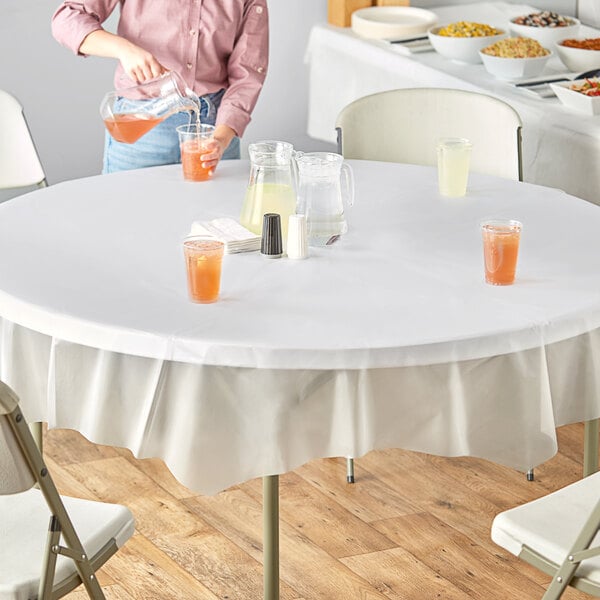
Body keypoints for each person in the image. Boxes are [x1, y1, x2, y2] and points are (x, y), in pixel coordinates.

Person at [51, 1, 269, 174]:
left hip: (214, 128)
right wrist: (124, 49)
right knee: (128, 219)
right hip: (142, 126)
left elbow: (247, 72)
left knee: (211, 221)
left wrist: (221, 139)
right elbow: (67, 18)